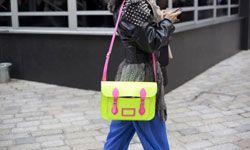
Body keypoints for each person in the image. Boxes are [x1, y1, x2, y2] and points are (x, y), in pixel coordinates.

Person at [103, 0, 181, 149]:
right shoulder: (134, 5)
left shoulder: (126, 4)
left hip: (131, 78)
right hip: (141, 80)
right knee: (157, 142)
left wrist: (159, 18)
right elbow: (152, 42)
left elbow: (141, 33)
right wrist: (167, 22)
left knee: (117, 139)